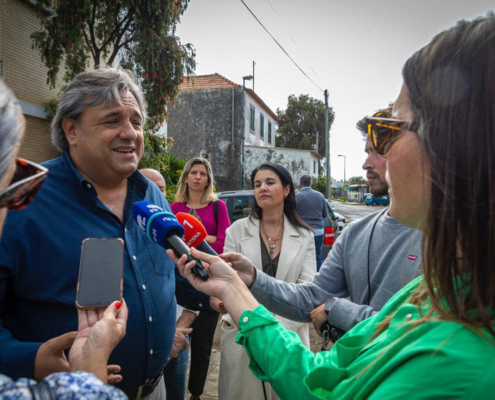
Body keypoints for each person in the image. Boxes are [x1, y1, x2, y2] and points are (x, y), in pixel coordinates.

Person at [171, 14, 495, 398]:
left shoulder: (455, 363)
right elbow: (320, 377)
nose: (372, 160)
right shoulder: (437, 292)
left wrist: (335, 309)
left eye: (387, 132)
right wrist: (236, 288)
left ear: (456, 145)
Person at [0, 68, 176, 399]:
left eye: (136, 122)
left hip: (155, 389)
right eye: (112, 121)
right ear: (72, 130)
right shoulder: (19, 199)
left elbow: (167, 278)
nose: (130, 133)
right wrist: (32, 359)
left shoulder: (153, 196)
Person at [219, 163, 316, 400]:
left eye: (270, 182)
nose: (262, 187)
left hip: (289, 339)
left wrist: (273, 331)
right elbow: (226, 284)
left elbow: (307, 289)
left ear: (286, 190)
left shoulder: (305, 236)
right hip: (243, 338)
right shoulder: (236, 231)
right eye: (257, 184)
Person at [170, 157, 231, 400]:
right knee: (174, 341)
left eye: (202, 173)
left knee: (203, 346)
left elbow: (224, 242)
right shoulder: (174, 208)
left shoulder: (219, 207)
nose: (197, 177)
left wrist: (190, 245)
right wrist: (208, 239)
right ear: (185, 177)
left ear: (208, 180)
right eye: (193, 172)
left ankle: (196, 394)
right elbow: (168, 243)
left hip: (207, 283)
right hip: (179, 283)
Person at [140, 167, 197, 400]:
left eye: (161, 189)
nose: (156, 194)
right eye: (149, 187)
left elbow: (193, 289)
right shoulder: (123, 232)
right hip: (144, 349)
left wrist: (176, 329)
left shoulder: (175, 233)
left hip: (180, 332)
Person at [295, 174, 328, 270]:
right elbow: (324, 215)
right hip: (318, 231)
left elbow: (293, 216)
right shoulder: (320, 196)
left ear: (300, 184)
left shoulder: (297, 197)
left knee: (302, 256)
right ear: (311, 183)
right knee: (318, 255)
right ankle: (317, 279)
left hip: (303, 231)